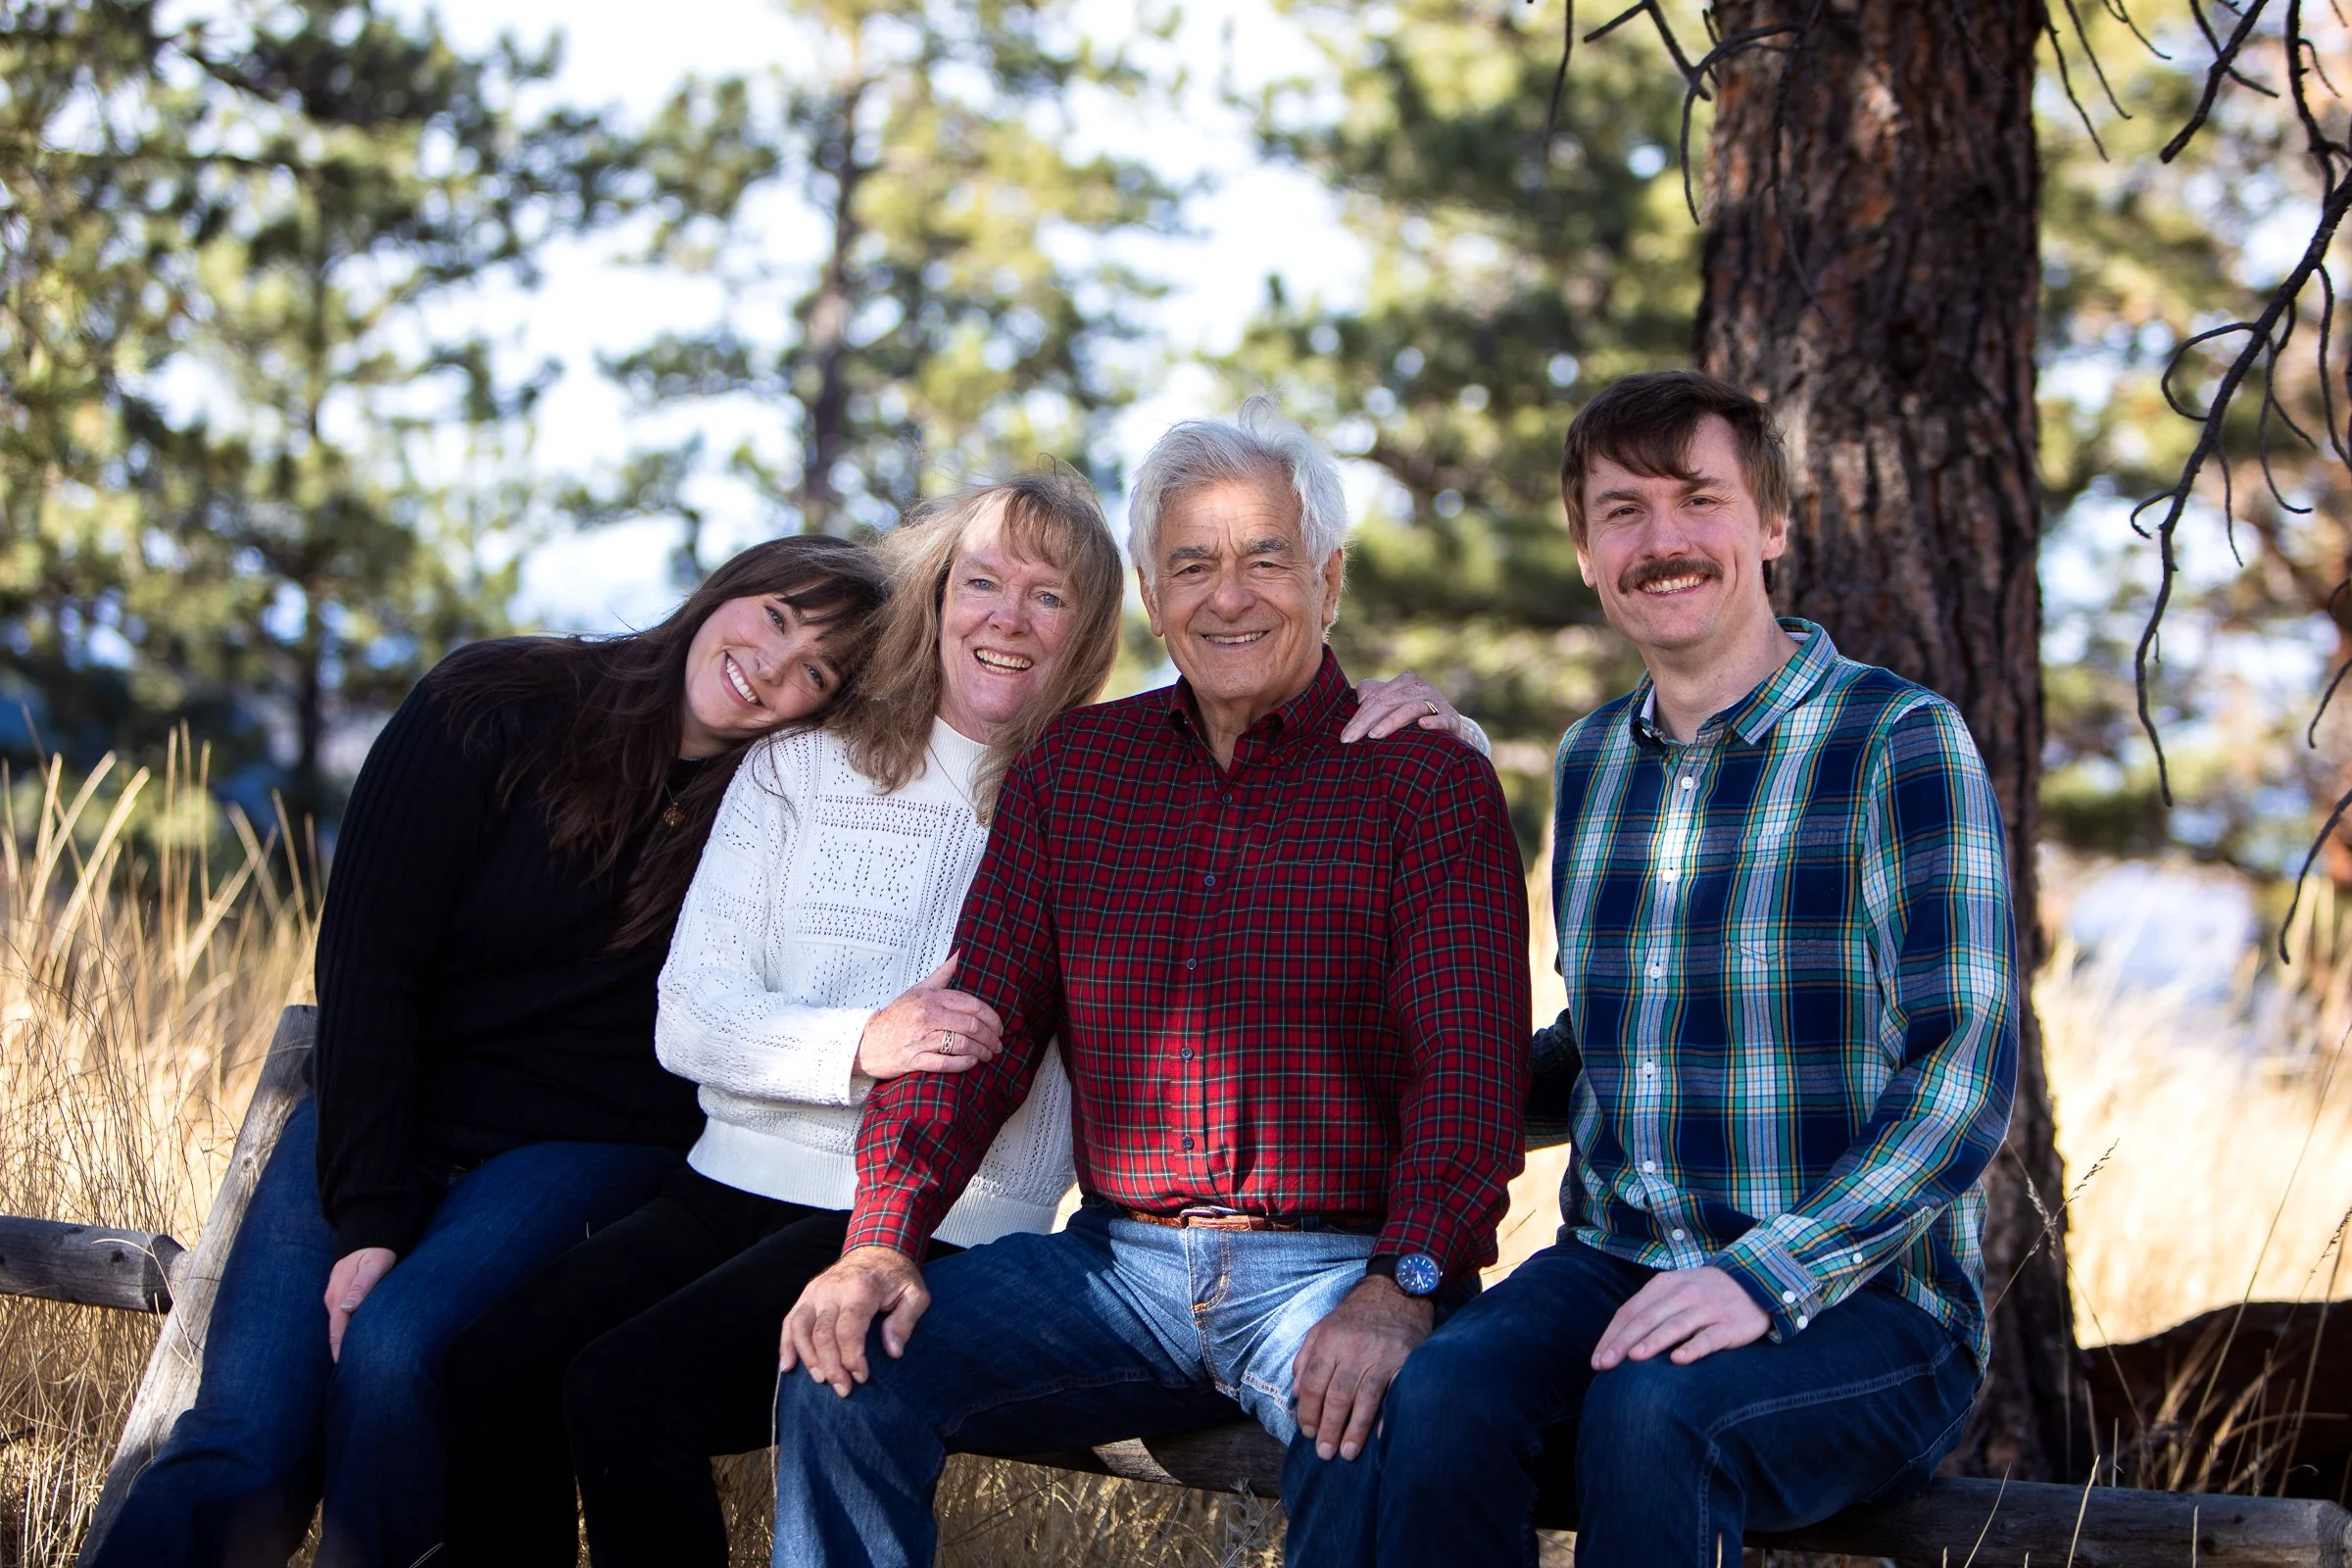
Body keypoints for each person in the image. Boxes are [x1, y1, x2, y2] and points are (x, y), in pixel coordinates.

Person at [763, 398, 1532, 1568]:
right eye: (1193, 565)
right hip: (1114, 1271)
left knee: (1395, 1427)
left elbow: (1469, 1069)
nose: (1229, 595)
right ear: (1151, 589)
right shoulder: (1076, 772)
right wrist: (881, 1239)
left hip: (1335, 1269)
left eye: (1265, 559)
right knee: (848, 1366)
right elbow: (980, 1032)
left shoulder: (1422, 782)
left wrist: (1406, 1282)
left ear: (1328, 578)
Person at [1320, 370, 2020, 1567]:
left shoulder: (1898, 742)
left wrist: (1765, 1276)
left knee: (1653, 1411)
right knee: (1438, 1393)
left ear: (1772, 525)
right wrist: (1375, 1096)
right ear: (1587, 552)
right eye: (1622, 510)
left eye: (1697, 498)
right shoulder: (1594, 763)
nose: (1663, 540)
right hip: (1618, 1261)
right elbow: (1593, 1049)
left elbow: (1961, 1072)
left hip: (1867, 1305)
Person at [85, 535, 891, 1568]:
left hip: (581, 1148)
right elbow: (373, 963)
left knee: (395, 1353)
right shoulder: (494, 701)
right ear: (728, 589)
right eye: (776, 616)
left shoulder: (775, 809)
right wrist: (369, 1211)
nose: (771, 666)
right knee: (244, 1434)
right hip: (387, 1110)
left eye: (816, 670)